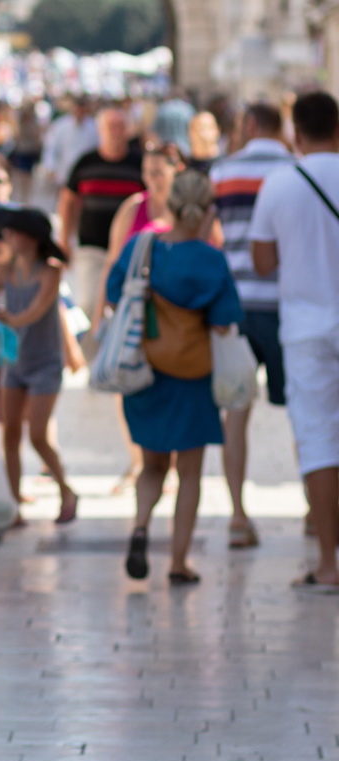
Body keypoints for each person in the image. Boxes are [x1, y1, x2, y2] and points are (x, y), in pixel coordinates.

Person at [107, 170, 243, 585]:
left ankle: (141, 526)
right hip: (191, 376)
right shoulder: (211, 259)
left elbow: (115, 294)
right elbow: (224, 322)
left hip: (145, 371)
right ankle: (179, 562)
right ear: (207, 211)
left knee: (151, 466)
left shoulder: (141, 246)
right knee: (189, 472)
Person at [250, 90, 339, 591]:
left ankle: (329, 562)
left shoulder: (280, 185)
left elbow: (263, 262)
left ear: (295, 134)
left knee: (320, 441)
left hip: (306, 327)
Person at [210, 102, 295, 549]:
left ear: (248, 124)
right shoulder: (297, 170)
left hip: (237, 308)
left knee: (235, 414)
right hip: (286, 305)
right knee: (305, 412)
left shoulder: (223, 172)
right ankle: (315, 513)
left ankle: (238, 515)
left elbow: (212, 235)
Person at [97, 141, 187, 493]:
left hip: (176, 318)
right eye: (147, 172)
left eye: (158, 172)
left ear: (176, 171)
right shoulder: (133, 207)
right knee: (129, 387)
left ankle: (174, 464)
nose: (151, 179)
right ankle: (139, 460)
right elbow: (112, 260)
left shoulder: (187, 211)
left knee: (173, 387)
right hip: (134, 315)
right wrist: (102, 309)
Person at [0, 206, 78, 526]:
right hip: (15, 362)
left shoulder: (51, 271)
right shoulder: (6, 269)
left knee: (38, 435)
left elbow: (37, 311)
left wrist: (9, 319)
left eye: (12, 232)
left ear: (30, 238)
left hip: (45, 363)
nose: (6, 237)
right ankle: (14, 505)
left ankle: (67, 490)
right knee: (9, 435)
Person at [58, 106, 145, 330]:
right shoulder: (86, 163)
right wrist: (63, 239)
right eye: (111, 127)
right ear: (100, 130)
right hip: (91, 246)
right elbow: (67, 201)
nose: (116, 132)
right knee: (88, 303)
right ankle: (91, 357)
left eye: (120, 126)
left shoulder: (140, 164)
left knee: (123, 306)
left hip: (130, 249)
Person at [40, 95, 98, 197]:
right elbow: (51, 147)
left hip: (85, 174)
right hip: (64, 173)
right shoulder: (60, 125)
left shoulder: (93, 127)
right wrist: (50, 167)